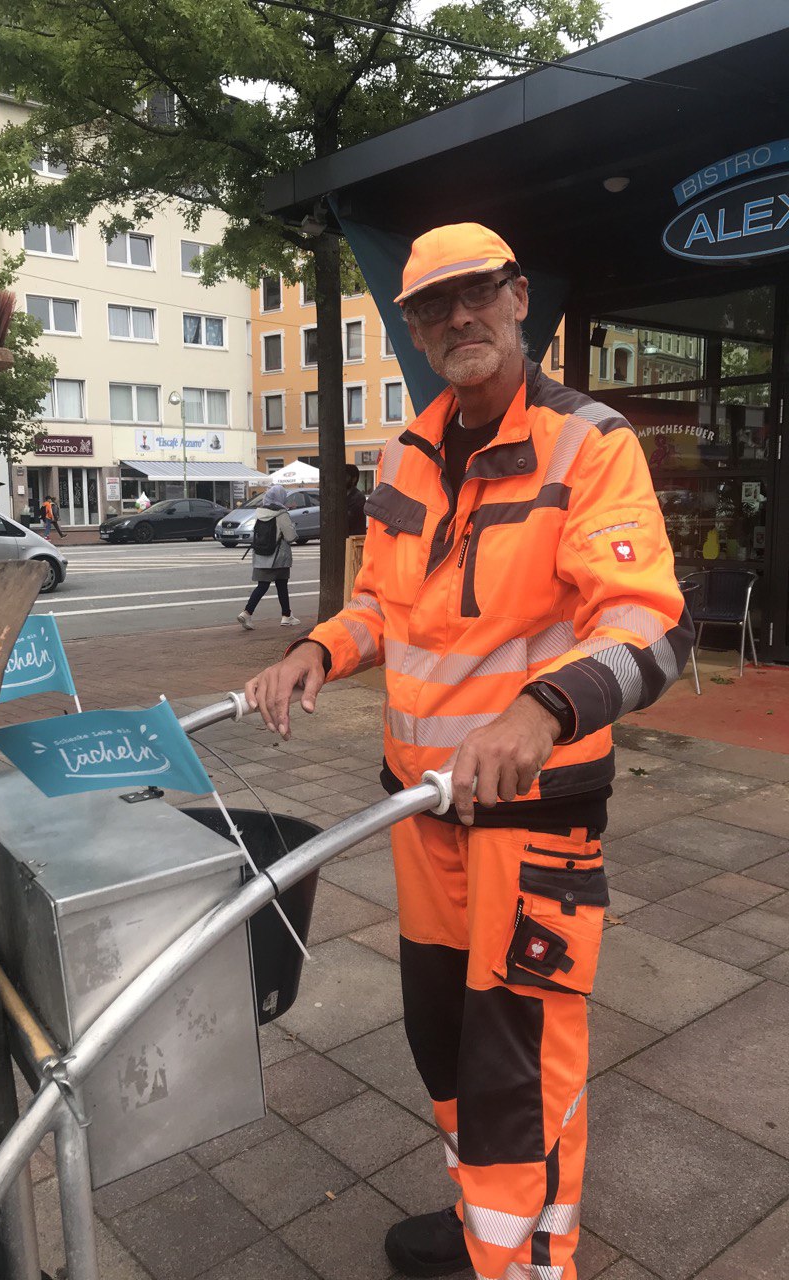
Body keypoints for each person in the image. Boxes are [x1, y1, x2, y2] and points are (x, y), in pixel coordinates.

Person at [244, 223, 692, 1280]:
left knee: (521, 1067)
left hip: (533, 824)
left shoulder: (591, 443)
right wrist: (318, 648)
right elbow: (380, 605)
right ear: (410, 325)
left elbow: (650, 624)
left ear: (518, 298)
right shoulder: (408, 448)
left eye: (476, 294)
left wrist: (542, 713)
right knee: (441, 1040)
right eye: (432, 305)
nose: (458, 317)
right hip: (422, 812)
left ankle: (536, 1263)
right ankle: (477, 1219)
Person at [237, 483, 300, 629]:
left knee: (262, 586)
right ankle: (285, 616)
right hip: (279, 557)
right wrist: (293, 528)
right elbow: (291, 537)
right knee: (282, 585)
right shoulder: (281, 514)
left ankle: (248, 613)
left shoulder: (260, 513)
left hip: (261, 555)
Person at [346, 463, 367, 536]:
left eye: (345, 476)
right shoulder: (340, 496)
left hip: (355, 538)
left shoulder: (358, 497)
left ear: (354, 479)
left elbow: (349, 518)